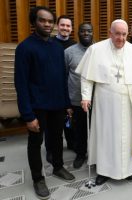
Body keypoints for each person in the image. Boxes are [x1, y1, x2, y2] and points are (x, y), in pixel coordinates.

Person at [76, 19, 132, 185]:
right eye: (117, 34)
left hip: (129, 104)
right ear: (110, 33)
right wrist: (86, 96)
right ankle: (104, 171)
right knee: (105, 136)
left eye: (124, 34)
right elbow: (87, 77)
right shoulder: (96, 50)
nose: (121, 38)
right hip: (105, 104)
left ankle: (127, 169)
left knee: (128, 135)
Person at [14, 6, 75, 199]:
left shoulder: (57, 48)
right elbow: (21, 84)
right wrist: (28, 115)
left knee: (57, 139)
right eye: (43, 20)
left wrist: (66, 104)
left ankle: (58, 167)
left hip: (57, 105)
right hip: (37, 107)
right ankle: (38, 178)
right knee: (35, 143)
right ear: (34, 22)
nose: (47, 24)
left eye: (50, 21)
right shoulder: (25, 48)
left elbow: (62, 78)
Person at [45, 15, 77, 164]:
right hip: (53, 88)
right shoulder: (49, 42)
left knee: (70, 118)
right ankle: (50, 149)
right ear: (57, 26)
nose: (65, 28)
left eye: (68, 26)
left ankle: (72, 143)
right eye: (62, 25)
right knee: (52, 123)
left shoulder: (74, 45)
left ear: (71, 28)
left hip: (70, 88)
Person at [64, 23, 94, 168]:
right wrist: (67, 103)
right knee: (80, 130)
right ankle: (81, 154)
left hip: (98, 99)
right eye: (83, 31)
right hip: (76, 100)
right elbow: (64, 76)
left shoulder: (99, 50)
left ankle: (96, 155)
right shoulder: (69, 52)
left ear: (93, 33)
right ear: (78, 33)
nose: (86, 33)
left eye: (89, 31)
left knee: (97, 129)